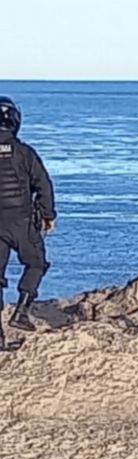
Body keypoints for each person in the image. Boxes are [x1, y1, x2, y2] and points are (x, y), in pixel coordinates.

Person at [0, 96, 56, 348]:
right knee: (36, 263)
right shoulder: (24, 153)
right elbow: (43, 185)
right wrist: (48, 215)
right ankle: (21, 312)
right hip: (21, 221)